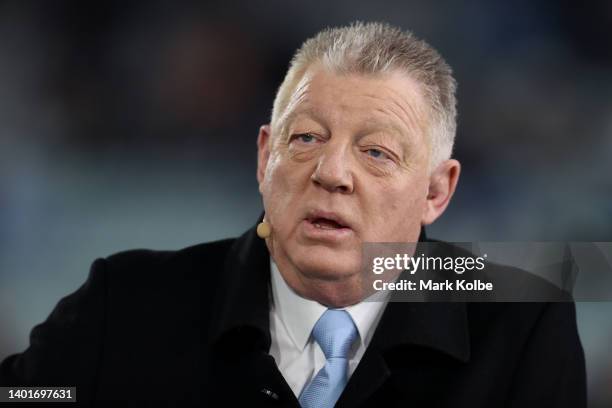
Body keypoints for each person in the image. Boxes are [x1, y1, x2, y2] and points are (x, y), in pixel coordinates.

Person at [0, 22, 585, 407]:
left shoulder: (519, 308)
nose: (331, 173)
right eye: (305, 138)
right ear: (263, 157)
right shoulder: (129, 298)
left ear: (437, 191)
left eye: (376, 152)